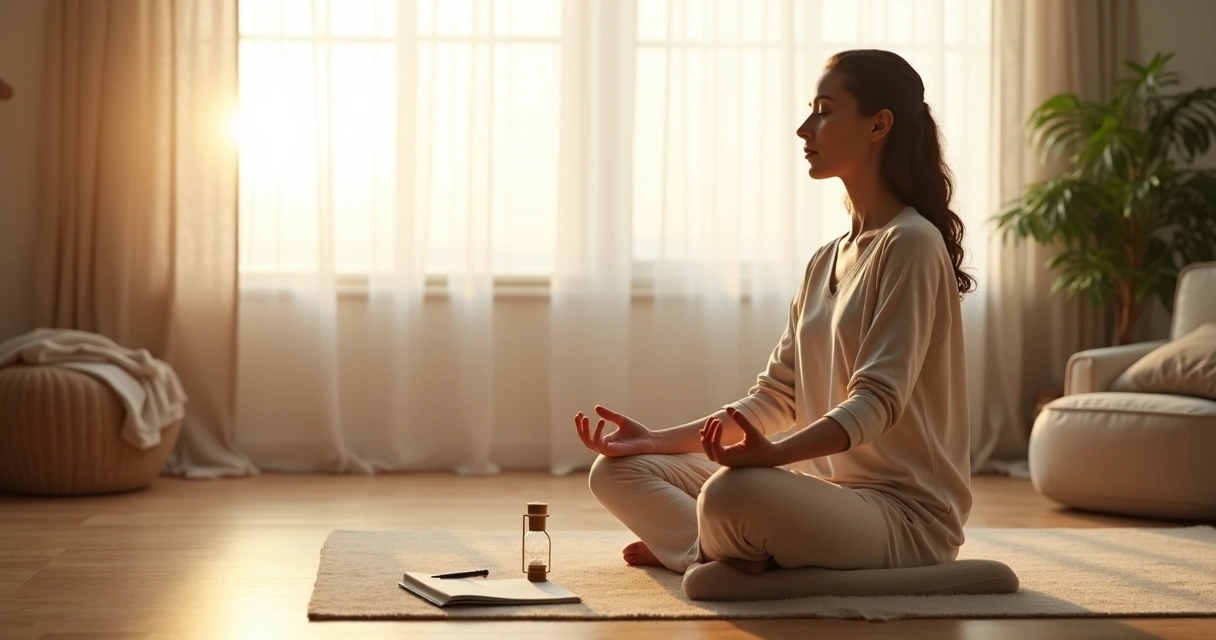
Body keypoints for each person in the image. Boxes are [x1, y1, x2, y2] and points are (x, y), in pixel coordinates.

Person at [573, 49, 975, 576]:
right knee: (616, 471)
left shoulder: (912, 244)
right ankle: (714, 548)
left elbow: (877, 402)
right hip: (826, 501)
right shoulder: (825, 259)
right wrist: (653, 441)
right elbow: (773, 397)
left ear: (879, 125)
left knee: (731, 492)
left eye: (825, 111)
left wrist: (773, 458)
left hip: (905, 520)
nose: (805, 128)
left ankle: (700, 548)